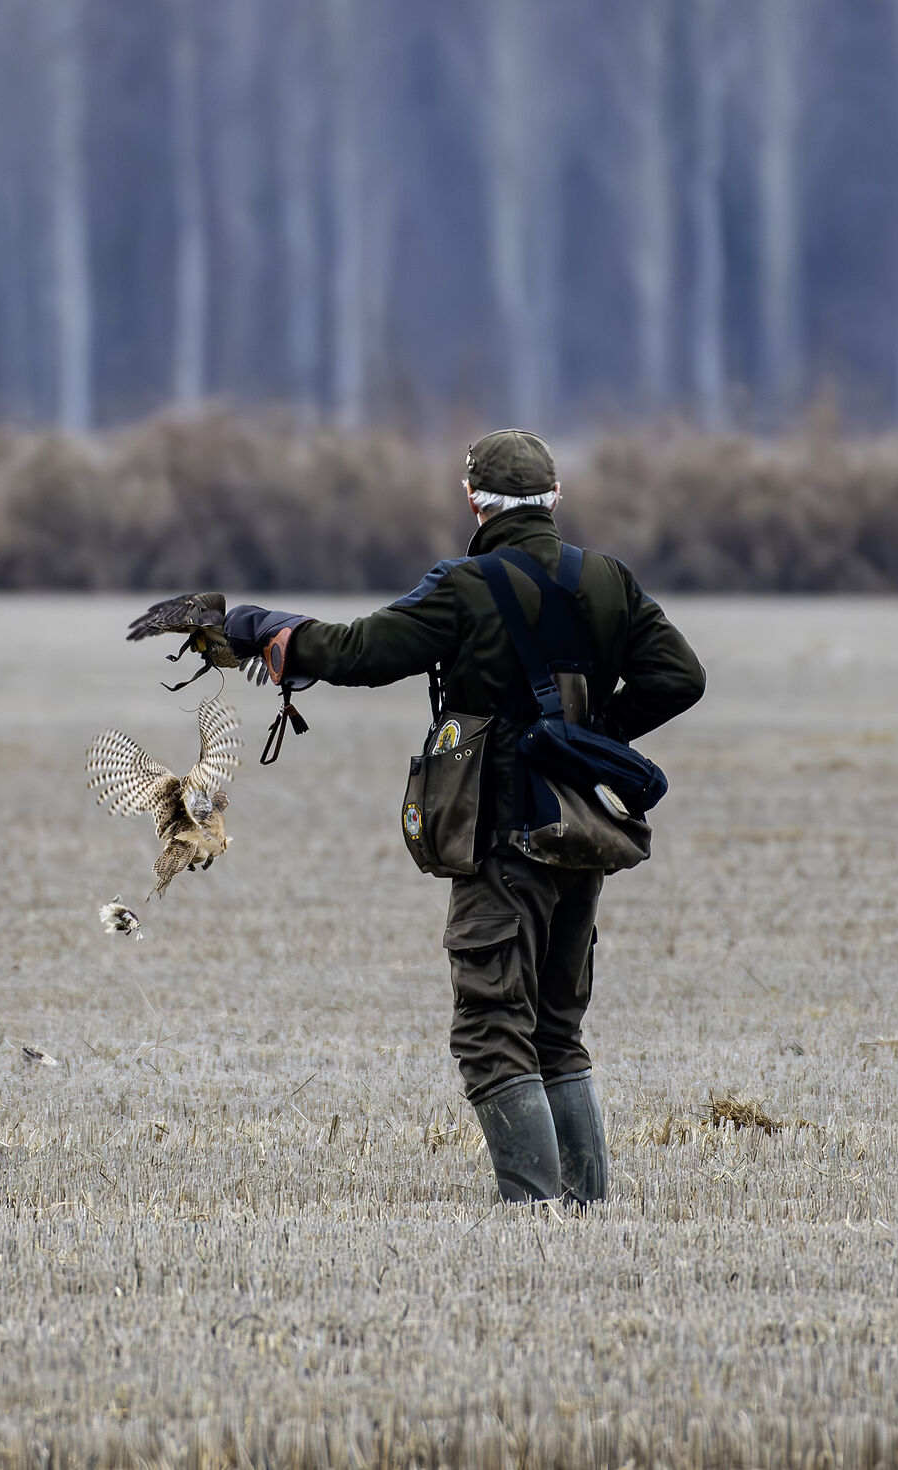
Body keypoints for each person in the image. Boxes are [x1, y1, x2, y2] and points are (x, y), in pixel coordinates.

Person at [217, 429, 705, 1206]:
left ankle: (536, 1215)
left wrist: (267, 629)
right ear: (555, 499)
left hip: (502, 841)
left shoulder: (465, 585)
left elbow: (356, 654)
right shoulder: (609, 579)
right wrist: (590, 739)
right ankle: (582, 1212)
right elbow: (680, 677)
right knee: (555, 1031)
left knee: (491, 1029)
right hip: (582, 834)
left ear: (473, 500)